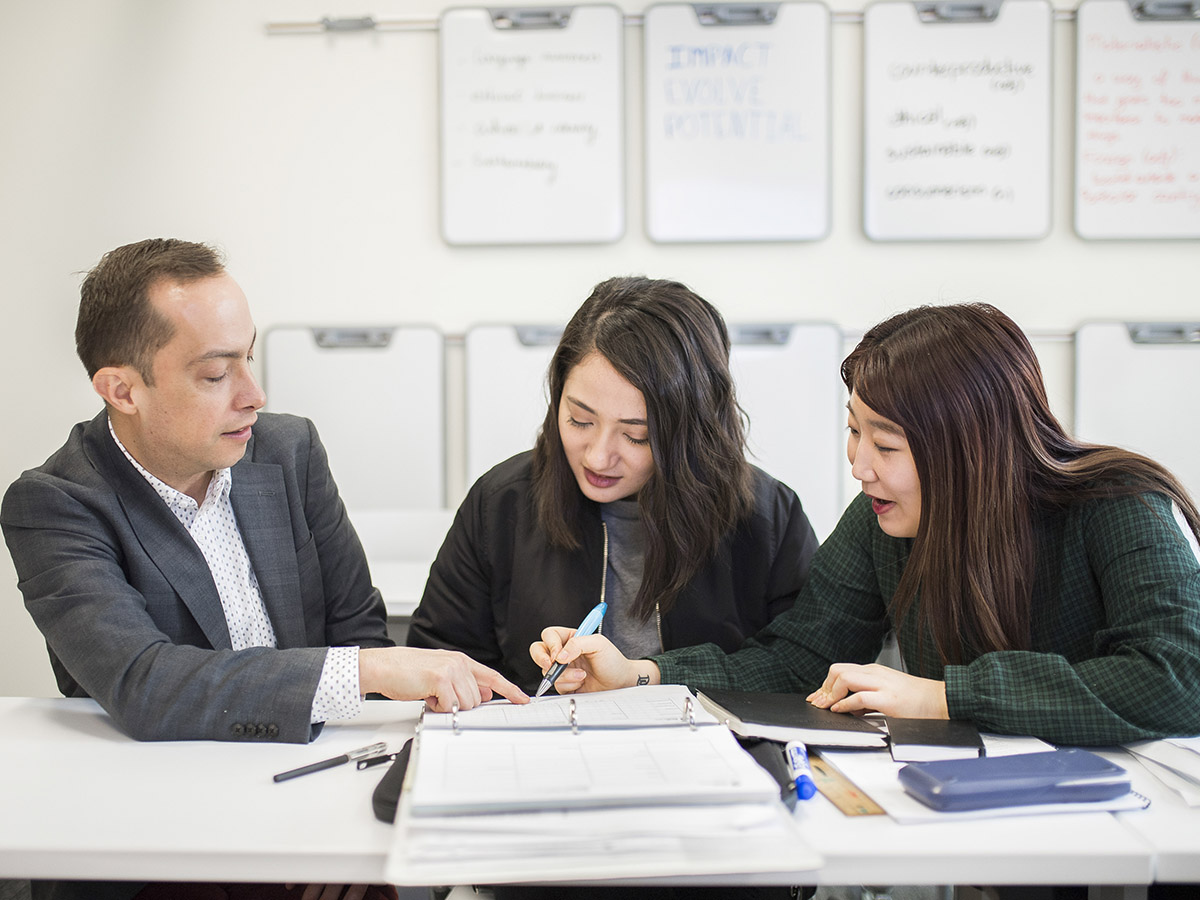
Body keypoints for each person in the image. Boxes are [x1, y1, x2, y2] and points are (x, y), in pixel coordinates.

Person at [2, 238, 530, 900]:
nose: (253, 394)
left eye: (248, 357)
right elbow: (146, 682)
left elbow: (356, 623)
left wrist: (331, 836)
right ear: (122, 389)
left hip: (311, 788)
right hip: (160, 834)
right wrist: (371, 670)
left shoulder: (288, 449)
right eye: (216, 375)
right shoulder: (54, 504)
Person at [533, 302, 1200, 746]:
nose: (858, 466)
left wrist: (944, 697)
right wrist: (642, 675)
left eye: (886, 445)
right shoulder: (881, 522)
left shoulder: (1120, 505)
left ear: (970, 448)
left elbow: (1178, 678)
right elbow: (798, 659)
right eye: (854, 433)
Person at [407, 275, 820, 694]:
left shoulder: (767, 518)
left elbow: (803, 666)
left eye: (637, 435)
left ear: (693, 432)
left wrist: (646, 675)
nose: (598, 457)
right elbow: (436, 663)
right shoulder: (501, 504)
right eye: (580, 420)